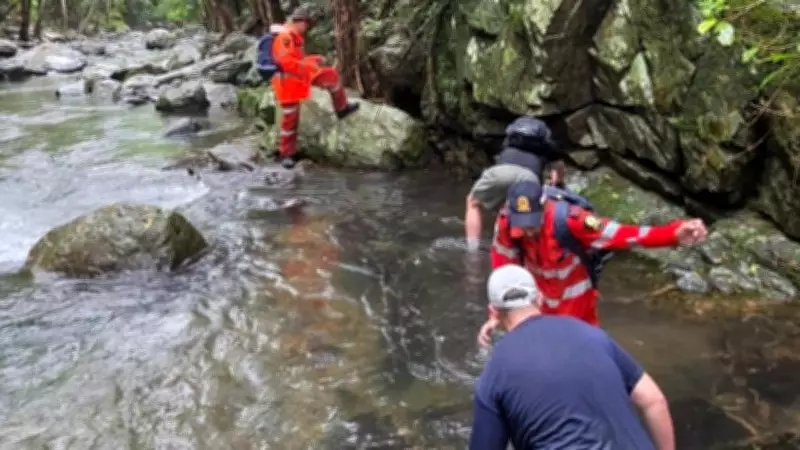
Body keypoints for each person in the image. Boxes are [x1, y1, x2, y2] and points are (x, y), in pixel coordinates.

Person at [470, 264, 676, 450]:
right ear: (540, 299)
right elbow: (654, 400)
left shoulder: (496, 371)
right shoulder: (592, 335)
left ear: (493, 312)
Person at [478, 180, 707, 345]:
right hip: (538, 308)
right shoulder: (507, 223)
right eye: (522, 224)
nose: (527, 231)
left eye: (532, 223)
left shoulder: (572, 220)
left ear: (544, 205)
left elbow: (622, 235)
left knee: (583, 359)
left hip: (577, 310)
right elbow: (504, 272)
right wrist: (495, 316)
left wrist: (673, 234)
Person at [268, 5, 360, 169]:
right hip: (287, 82)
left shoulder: (293, 37)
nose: (308, 28)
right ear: (300, 22)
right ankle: (286, 155)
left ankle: (342, 108)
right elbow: (285, 63)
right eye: (307, 24)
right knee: (290, 118)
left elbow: (297, 61)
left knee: (331, 76)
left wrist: (313, 59)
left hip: (298, 78)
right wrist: (308, 67)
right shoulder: (285, 37)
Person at [465, 116, 566, 252]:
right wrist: (558, 185)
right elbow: (556, 177)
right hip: (528, 178)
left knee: (473, 202)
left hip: (499, 172)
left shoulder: (508, 143)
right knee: (524, 216)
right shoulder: (548, 149)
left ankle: (473, 250)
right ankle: (523, 253)